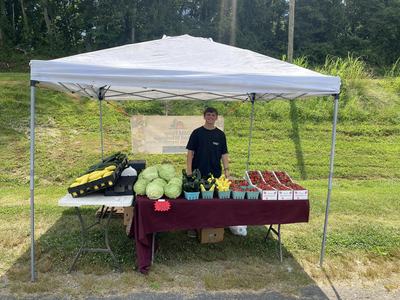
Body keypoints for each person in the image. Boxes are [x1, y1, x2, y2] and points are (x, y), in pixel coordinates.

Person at [186, 107, 230, 179]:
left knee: (215, 190)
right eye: (208, 114)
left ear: (216, 117)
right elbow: (190, 152)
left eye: (213, 115)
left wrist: (226, 170)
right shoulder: (196, 133)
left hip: (215, 172)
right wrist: (189, 170)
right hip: (198, 172)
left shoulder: (220, 134)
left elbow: (224, 153)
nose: (210, 117)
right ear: (204, 116)